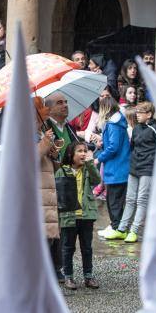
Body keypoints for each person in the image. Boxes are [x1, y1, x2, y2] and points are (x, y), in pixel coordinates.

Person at [108, 101, 156, 243]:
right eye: (136, 112)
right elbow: (132, 147)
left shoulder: (155, 129)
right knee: (130, 199)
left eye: (140, 113)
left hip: (148, 168)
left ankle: (134, 231)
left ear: (149, 114)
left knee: (141, 200)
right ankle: (122, 229)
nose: (137, 115)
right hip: (134, 167)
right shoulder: (136, 128)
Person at [55, 141, 101, 290]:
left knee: (87, 247)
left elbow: (97, 180)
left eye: (85, 151)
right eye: (79, 151)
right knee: (68, 247)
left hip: (86, 215)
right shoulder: (63, 171)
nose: (83, 154)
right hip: (69, 216)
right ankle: (68, 276)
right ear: (70, 154)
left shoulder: (88, 169)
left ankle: (88, 276)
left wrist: (90, 164)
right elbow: (59, 195)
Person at [33, 97, 64, 282]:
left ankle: (49, 270)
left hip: (48, 191)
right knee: (41, 236)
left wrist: (54, 155)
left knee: (49, 235)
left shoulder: (39, 133)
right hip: (37, 192)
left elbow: (51, 167)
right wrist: (45, 144)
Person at [94, 98, 131, 240]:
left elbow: (114, 147)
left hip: (117, 168)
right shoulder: (116, 123)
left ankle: (117, 228)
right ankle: (116, 225)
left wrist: (99, 158)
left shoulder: (114, 124)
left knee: (114, 200)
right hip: (118, 168)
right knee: (114, 199)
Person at [43, 92, 78, 160]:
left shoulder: (70, 128)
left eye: (66, 102)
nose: (65, 105)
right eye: (59, 103)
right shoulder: (44, 128)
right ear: (49, 109)